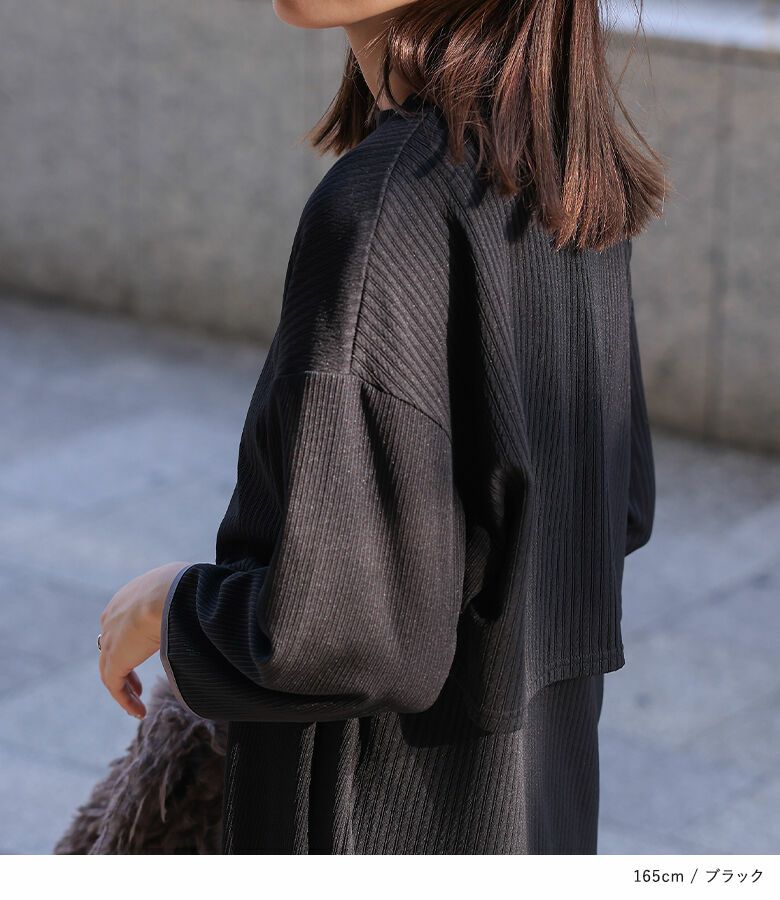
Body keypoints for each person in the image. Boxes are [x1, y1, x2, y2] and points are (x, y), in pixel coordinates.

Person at [96, 0, 663, 854]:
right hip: (535, 804)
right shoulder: (561, 172)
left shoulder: (384, 205)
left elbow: (344, 635)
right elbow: (614, 509)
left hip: (373, 820)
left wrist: (171, 604)